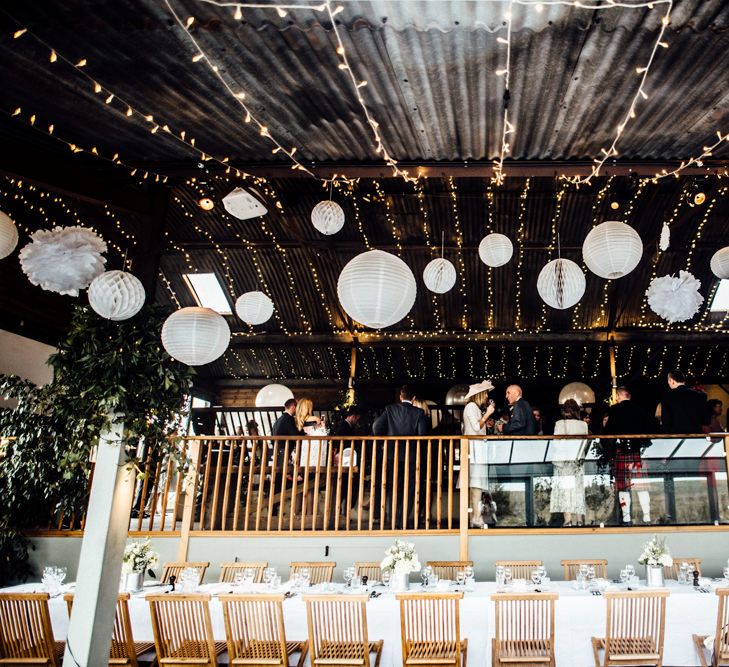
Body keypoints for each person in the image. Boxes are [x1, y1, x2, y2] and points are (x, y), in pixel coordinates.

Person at [372, 385, 428, 528]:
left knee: (394, 487)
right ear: (414, 399)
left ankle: (393, 520)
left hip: (393, 455)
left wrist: (386, 442)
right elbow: (422, 435)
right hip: (411, 456)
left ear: (401, 396)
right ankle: (403, 521)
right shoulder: (419, 413)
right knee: (409, 489)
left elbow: (376, 426)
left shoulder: (390, 409)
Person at [603, 386, 652, 525]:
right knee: (642, 486)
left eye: (616, 396)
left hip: (621, 452)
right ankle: (647, 517)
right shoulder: (640, 410)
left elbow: (608, 434)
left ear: (619, 396)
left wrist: (610, 450)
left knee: (623, 487)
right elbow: (648, 431)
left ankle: (626, 518)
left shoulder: (614, 410)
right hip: (638, 452)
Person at [457, 381, 496, 528]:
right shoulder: (471, 407)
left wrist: (486, 419)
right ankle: (475, 517)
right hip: (474, 450)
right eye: (485, 393)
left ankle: (476, 516)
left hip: (476, 449)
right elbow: (475, 426)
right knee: (475, 484)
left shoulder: (474, 408)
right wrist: (488, 414)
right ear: (480, 395)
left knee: (476, 485)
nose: (487, 397)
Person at [550, 399, 588, 527]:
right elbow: (585, 444)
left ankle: (568, 520)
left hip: (564, 461)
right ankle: (579, 520)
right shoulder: (583, 425)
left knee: (566, 490)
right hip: (577, 461)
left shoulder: (560, 424)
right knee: (578, 490)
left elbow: (556, 444)